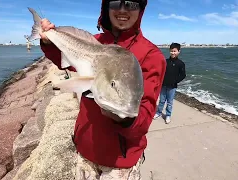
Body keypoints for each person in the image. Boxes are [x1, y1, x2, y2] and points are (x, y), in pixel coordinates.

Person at [39, 0, 166, 179]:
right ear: (106, 7)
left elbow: (145, 114)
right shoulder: (95, 42)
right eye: (115, 2)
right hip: (84, 149)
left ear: (141, 9)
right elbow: (64, 61)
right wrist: (48, 42)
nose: (122, 10)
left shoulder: (152, 55)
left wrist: (125, 121)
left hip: (119, 163)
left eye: (131, 3)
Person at [154, 43, 186, 124]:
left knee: (170, 102)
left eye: (175, 51)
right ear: (169, 51)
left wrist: (175, 81)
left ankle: (168, 115)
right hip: (163, 85)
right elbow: (160, 71)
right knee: (161, 101)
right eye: (171, 51)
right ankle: (158, 112)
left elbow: (183, 75)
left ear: (179, 51)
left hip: (172, 87)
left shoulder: (180, 63)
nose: (173, 53)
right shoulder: (165, 61)